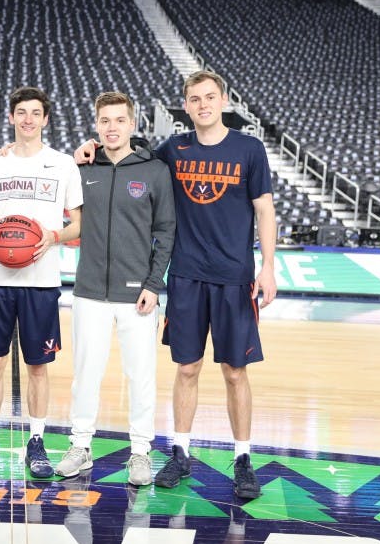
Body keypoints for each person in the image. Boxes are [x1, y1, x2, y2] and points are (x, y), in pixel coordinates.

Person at [76, 70, 277, 499]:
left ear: (223, 100)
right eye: (194, 99)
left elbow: (264, 211)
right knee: (186, 369)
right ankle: (180, 452)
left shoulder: (249, 149)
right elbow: (125, 153)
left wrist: (269, 267)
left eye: (210, 97)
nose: (203, 105)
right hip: (185, 276)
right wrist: (89, 148)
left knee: (235, 371)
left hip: (234, 277)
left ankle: (242, 458)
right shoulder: (172, 149)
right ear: (185, 106)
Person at [54, 92, 175, 487]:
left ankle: (140, 451)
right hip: (89, 290)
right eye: (104, 120)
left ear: (132, 124)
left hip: (137, 294)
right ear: (96, 124)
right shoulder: (82, 168)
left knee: (140, 376)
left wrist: (154, 284)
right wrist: (73, 160)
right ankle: (81, 446)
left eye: (119, 120)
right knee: (85, 374)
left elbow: (166, 232)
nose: (111, 127)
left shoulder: (154, 170)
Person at [0, 86, 83, 479]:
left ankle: (36, 441)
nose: (29, 119)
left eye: (36, 113)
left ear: (45, 119)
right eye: (22, 112)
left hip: (42, 281)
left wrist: (52, 237)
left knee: (37, 366)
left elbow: (79, 224)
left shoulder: (64, 164)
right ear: (12, 117)